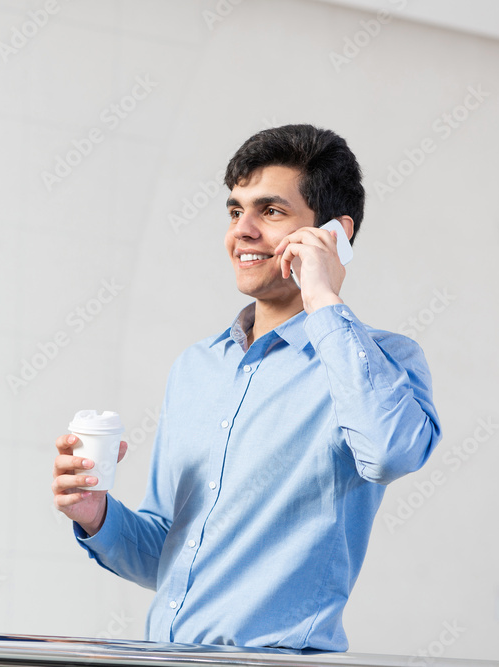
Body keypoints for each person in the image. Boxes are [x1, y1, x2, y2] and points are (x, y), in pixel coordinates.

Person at [51, 124, 441, 652]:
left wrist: (323, 297)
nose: (244, 230)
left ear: (335, 234)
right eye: (236, 211)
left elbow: (392, 453)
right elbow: (167, 553)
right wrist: (96, 514)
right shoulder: (196, 367)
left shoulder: (382, 362)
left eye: (271, 211)